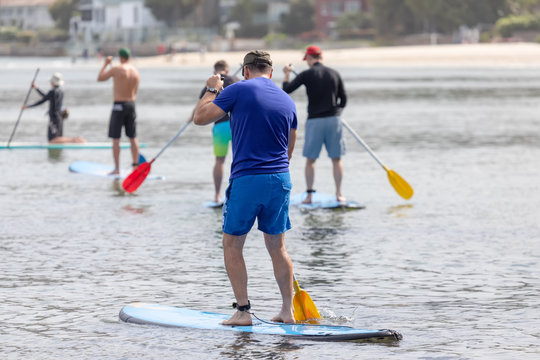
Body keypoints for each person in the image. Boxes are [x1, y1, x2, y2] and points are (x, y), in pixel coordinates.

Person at [193, 50, 298, 326]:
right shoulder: (287, 100)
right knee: (277, 246)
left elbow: (201, 118)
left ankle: (243, 312)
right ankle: (288, 311)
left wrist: (211, 89)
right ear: (271, 72)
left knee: (232, 243)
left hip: (248, 179)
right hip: (280, 178)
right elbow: (291, 146)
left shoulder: (237, 89)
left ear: (246, 70)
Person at [282, 45, 347, 204]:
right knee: (336, 159)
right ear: (321, 57)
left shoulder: (307, 74)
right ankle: (338, 194)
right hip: (334, 120)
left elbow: (287, 89)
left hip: (315, 121)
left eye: (307, 60)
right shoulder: (334, 73)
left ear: (310, 58)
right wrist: (336, 112)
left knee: (311, 160)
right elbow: (343, 99)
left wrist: (286, 74)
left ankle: (309, 195)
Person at [189, 60, 239, 204]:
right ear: (227, 70)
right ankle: (236, 195)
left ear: (214, 72)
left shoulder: (211, 84)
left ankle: (217, 195)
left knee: (219, 161)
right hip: (237, 126)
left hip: (220, 127)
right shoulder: (236, 81)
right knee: (239, 159)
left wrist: (190, 118)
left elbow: (201, 105)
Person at [97, 47, 140, 175]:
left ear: (120, 58)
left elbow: (100, 78)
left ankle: (116, 169)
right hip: (131, 104)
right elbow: (135, 91)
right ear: (129, 57)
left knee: (116, 138)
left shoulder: (116, 69)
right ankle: (135, 167)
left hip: (118, 105)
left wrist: (105, 64)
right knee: (133, 137)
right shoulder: (135, 72)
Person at [23, 73, 85, 144]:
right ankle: (74, 140)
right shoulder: (61, 91)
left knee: (52, 140)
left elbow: (43, 100)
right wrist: (36, 88)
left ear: (52, 82)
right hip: (60, 117)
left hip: (54, 118)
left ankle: (75, 140)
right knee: (57, 139)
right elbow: (46, 97)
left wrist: (28, 106)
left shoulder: (52, 92)